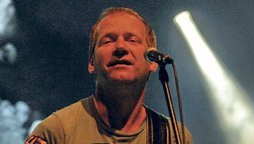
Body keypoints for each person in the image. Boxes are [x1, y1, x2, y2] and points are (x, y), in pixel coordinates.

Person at [25, 7, 192, 144]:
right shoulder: (57, 132)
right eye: (108, 41)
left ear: (153, 61)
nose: (120, 47)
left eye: (132, 40)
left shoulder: (173, 136)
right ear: (91, 62)